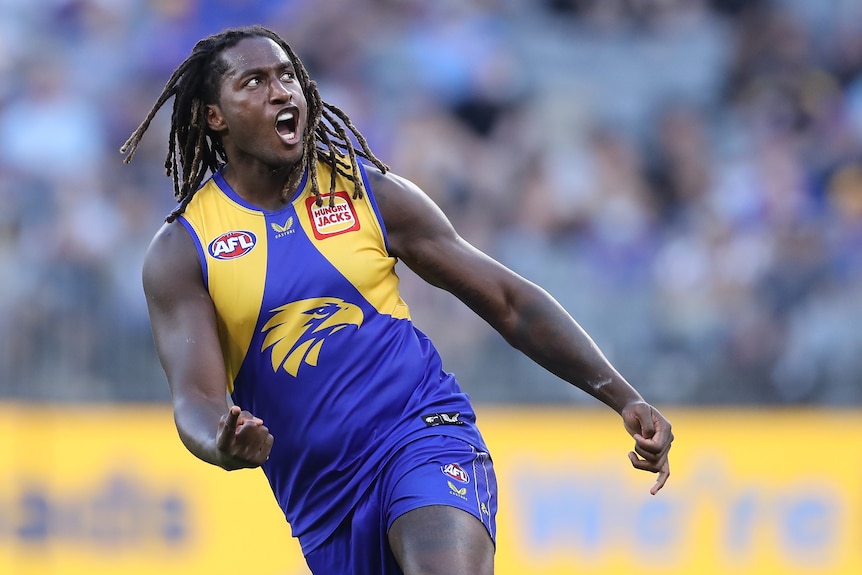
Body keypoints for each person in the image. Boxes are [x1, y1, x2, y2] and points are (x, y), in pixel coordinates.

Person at [122, 25, 673, 575]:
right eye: (255, 82)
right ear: (214, 116)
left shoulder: (368, 192)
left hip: (425, 434)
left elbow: (507, 300)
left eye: (288, 75)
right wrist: (222, 439)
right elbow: (195, 398)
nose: (282, 91)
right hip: (324, 506)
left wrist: (622, 396)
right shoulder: (182, 250)